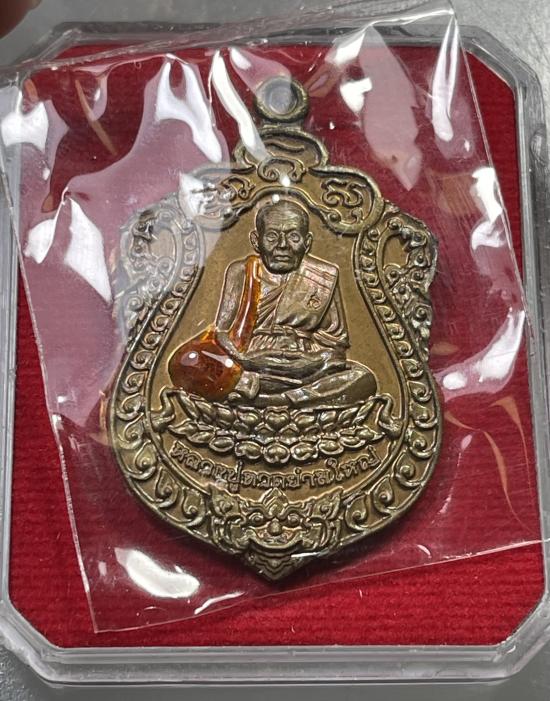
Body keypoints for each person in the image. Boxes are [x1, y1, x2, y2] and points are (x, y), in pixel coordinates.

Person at [168, 198, 376, 408]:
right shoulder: (241, 272)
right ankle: (276, 396)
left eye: (293, 236)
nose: (283, 245)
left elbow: (335, 345)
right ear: (256, 241)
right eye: (272, 236)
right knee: (191, 362)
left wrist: (311, 362)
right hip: (247, 366)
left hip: (304, 367)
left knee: (362, 377)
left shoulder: (324, 277)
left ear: (307, 242)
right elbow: (221, 332)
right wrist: (245, 359)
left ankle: (272, 400)